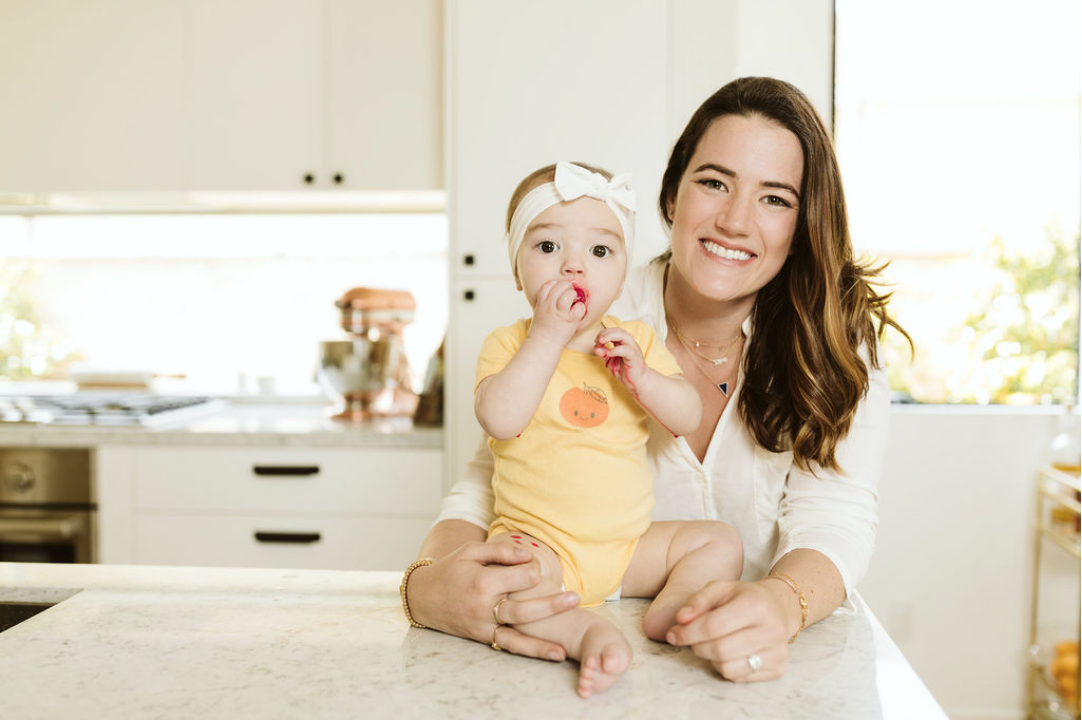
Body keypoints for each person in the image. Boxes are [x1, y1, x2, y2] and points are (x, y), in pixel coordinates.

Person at [399, 76, 909, 684]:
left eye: (775, 199)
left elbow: (837, 517)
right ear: (671, 197)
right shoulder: (590, 315)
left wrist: (780, 604)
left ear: (802, 225)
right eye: (714, 182)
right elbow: (492, 480)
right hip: (590, 649)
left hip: (761, 662)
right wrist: (426, 586)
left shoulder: (837, 343)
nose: (735, 221)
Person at [471, 161, 742, 697]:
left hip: (628, 547)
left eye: (599, 252)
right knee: (505, 586)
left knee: (719, 541)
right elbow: (501, 419)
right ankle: (586, 633)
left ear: (621, 273)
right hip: (542, 546)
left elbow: (685, 416)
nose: (574, 268)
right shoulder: (508, 344)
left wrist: (644, 380)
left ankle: (672, 610)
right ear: (516, 268)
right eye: (548, 248)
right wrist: (547, 337)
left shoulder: (635, 339)